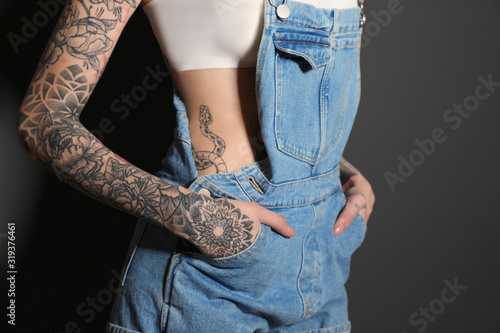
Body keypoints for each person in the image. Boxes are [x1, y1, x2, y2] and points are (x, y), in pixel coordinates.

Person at [17, 0, 375, 332]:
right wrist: (201, 220)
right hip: (211, 266)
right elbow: (42, 122)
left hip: (322, 256)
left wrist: (342, 173)